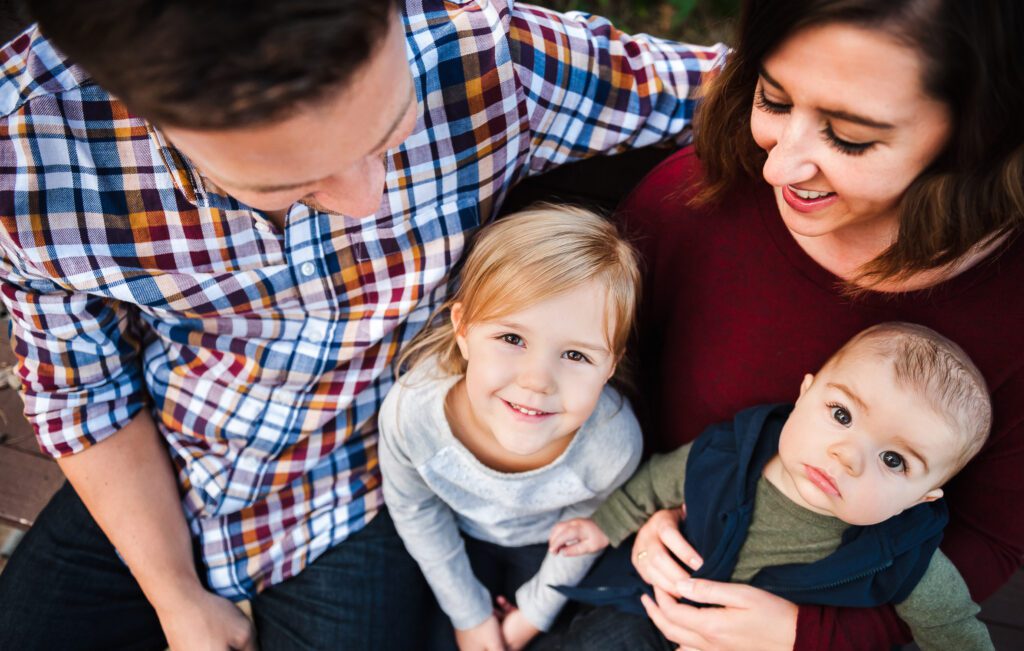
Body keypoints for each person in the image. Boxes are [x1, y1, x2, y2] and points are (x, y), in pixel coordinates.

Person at [0, 1, 727, 649]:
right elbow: (82, 397)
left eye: (392, 129)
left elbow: (757, 86)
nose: (368, 199)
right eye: (292, 186)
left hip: (357, 485)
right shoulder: (26, 150)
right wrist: (176, 595)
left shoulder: (488, 52)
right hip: (172, 461)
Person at [569, 0, 1023, 649]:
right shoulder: (688, 205)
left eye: (851, 136)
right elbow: (603, 392)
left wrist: (817, 633)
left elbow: (992, 537)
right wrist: (647, 511)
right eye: (773, 99)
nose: (779, 166)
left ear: (979, 137)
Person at [549, 322, 994, 651]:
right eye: (841, 414)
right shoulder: (730, 454)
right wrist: (604, 526)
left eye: (893, 460)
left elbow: (955, 629)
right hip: (655, 609)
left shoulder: (900, 555)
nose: (847, 456)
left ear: (921, 499)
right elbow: (660, 480)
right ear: (805, 392)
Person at [379, 206, 643, 651]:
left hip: (550, 550)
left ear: (610, 366)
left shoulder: (611, 444)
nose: (537, 380)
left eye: (576, 355)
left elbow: (589, 524)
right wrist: (470, 615)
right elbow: (415, 510)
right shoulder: (414, 415)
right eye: (512, 339)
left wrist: (531, 616)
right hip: (453, 541)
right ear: (462, 329)